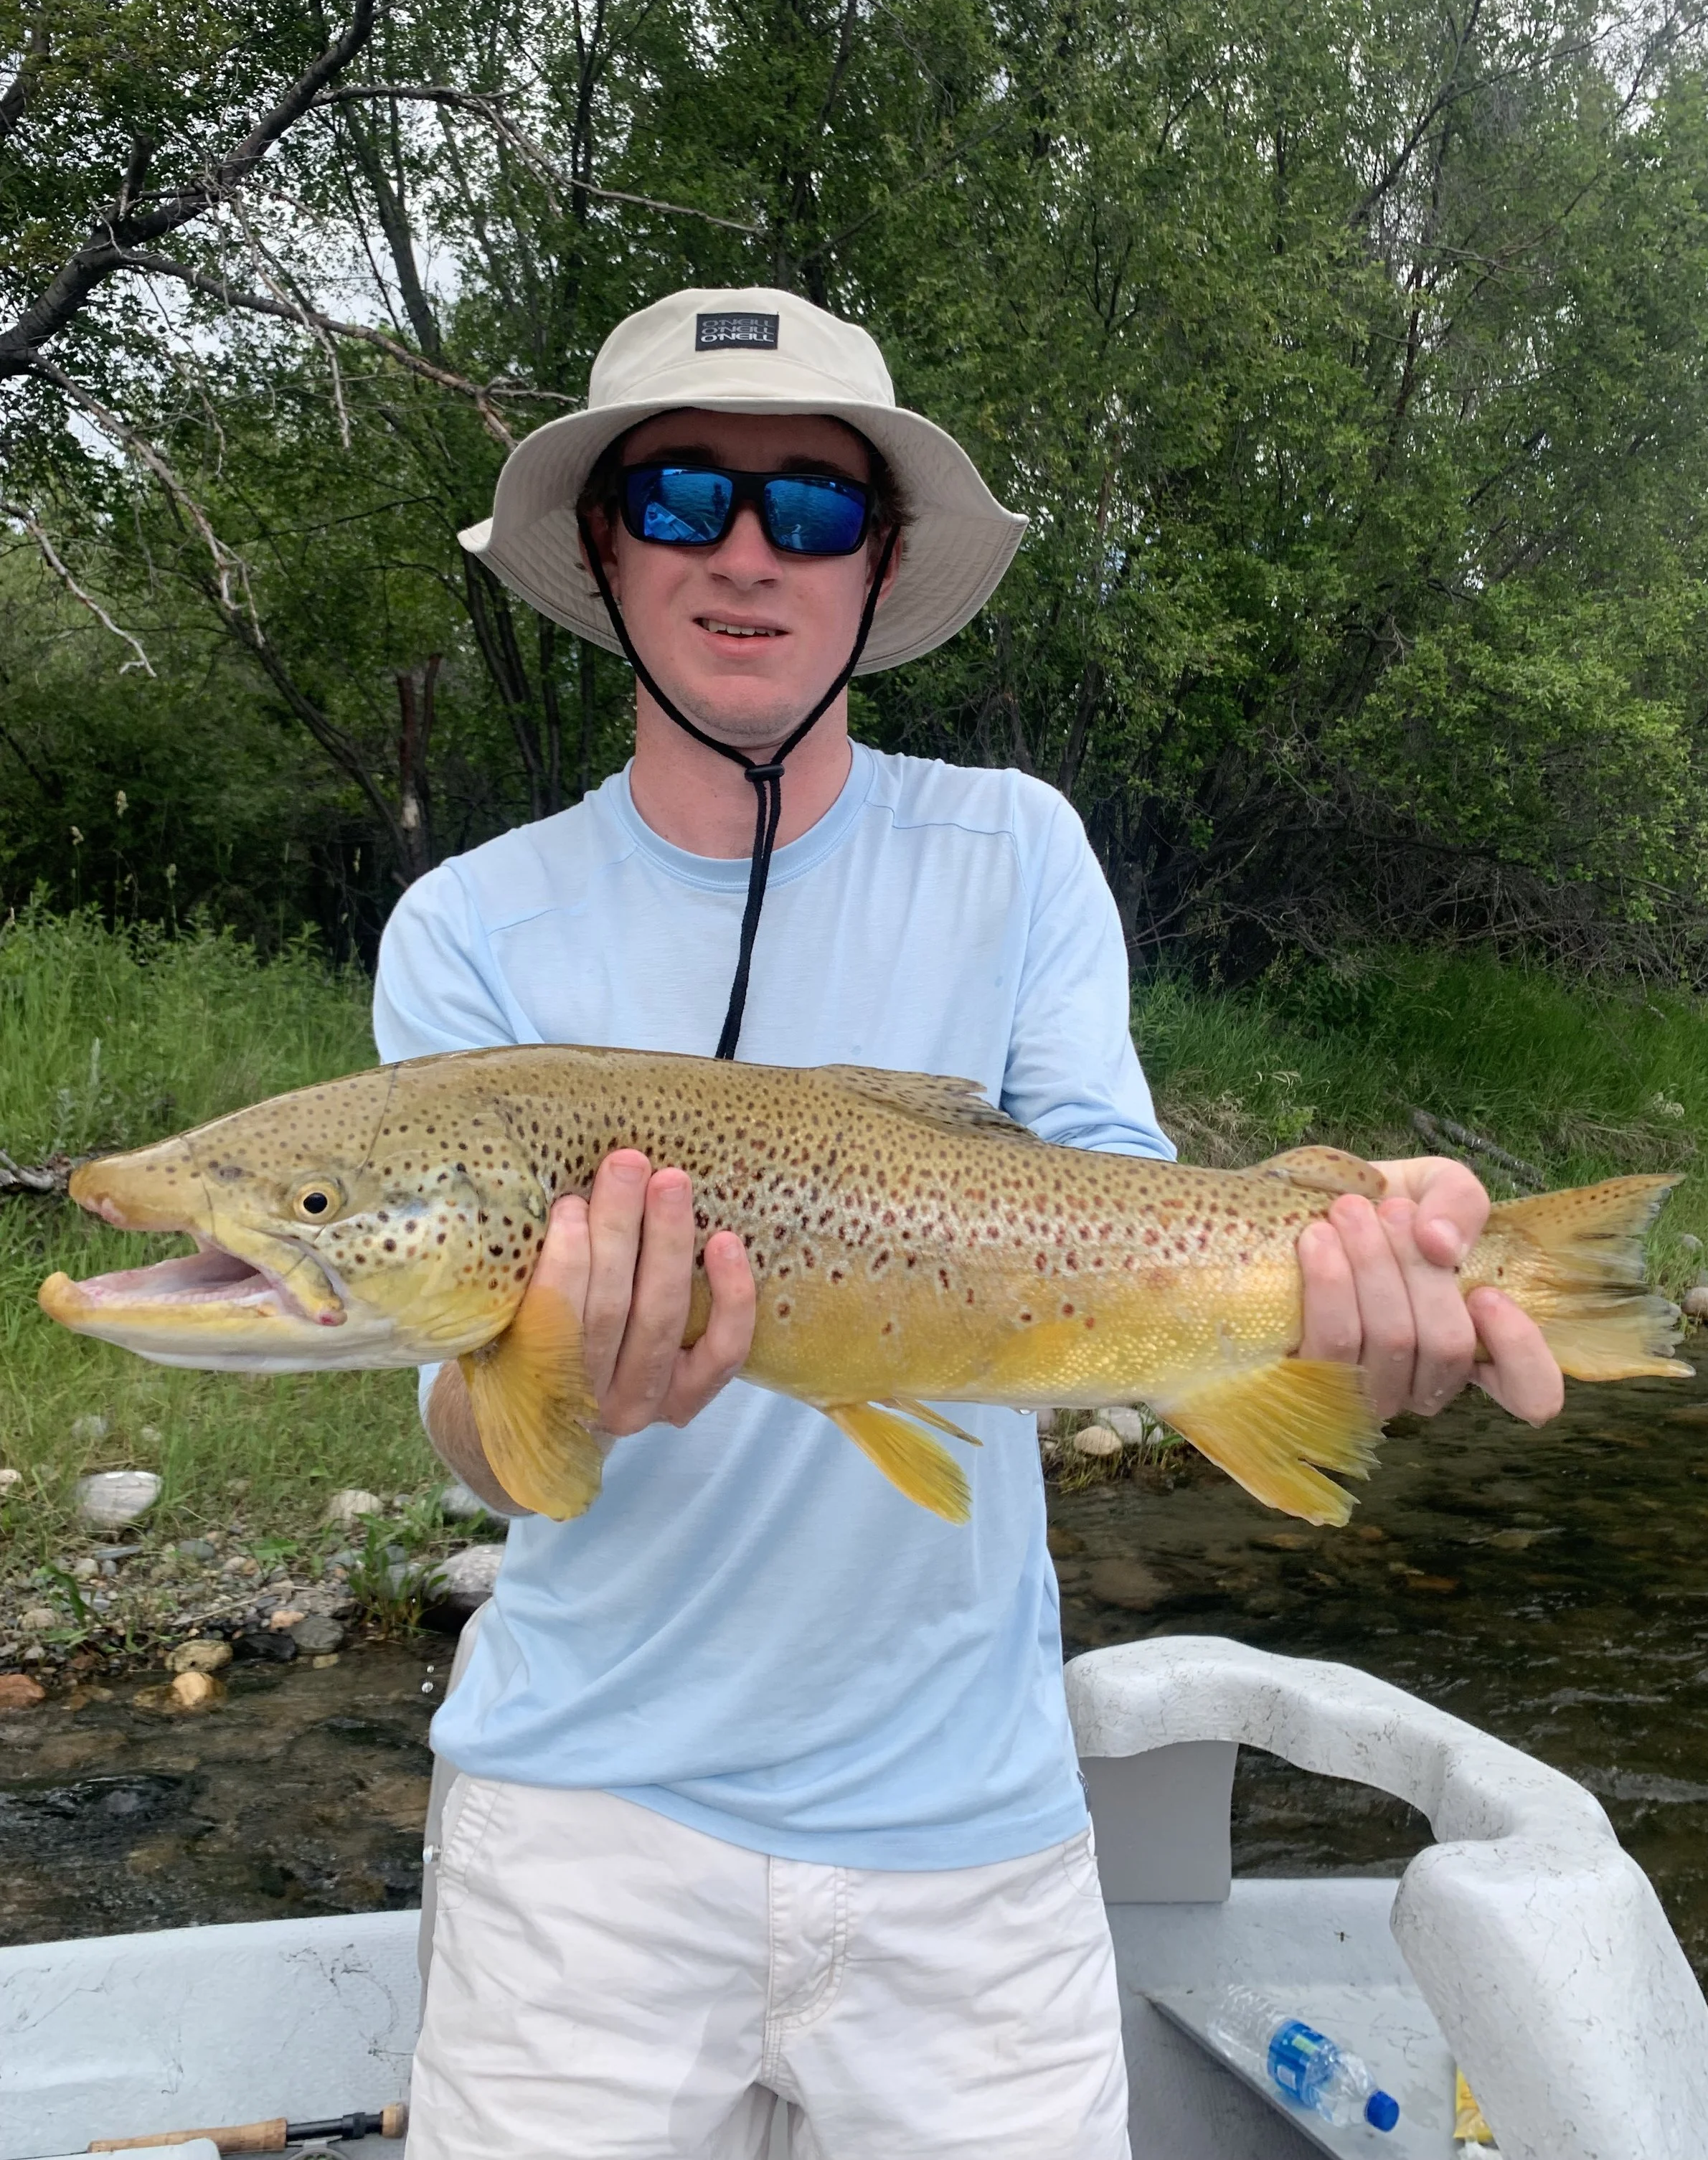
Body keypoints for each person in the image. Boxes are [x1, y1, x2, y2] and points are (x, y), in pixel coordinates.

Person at [377, 286, 1562, 2160]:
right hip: (577, 1840)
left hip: (970, 1838)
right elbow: (466, 1430)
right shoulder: (469, 932)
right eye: (683, 497)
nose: (748, 551)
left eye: (815, 508)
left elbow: (1117, 1193)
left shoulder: (1014, 849)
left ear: (883, 560)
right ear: (605, 547)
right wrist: (560, 1392)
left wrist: (1327, 1244)